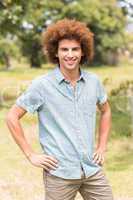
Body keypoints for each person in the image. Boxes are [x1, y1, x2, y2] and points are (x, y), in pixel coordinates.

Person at [6, 19, 113, 200]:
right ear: (55, 52)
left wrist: (101, 147)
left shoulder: (94, 82)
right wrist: (30, 155)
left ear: (82, 52)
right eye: (64, 49)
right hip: (59, 173)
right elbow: (12, 117)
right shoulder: (42, 85)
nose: (70, 55)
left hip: (91, 169)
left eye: (75, 49)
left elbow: (106, 111)